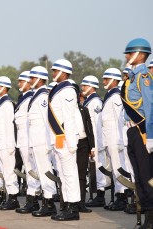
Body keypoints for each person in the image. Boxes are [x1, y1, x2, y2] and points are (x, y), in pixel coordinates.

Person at [122, 38, 153, 228]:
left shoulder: (144, 78)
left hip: (142, 133)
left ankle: (151, 216)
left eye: (129, 52)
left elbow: (150, 108)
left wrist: (150, 135)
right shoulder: (132, 77)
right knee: (139, 176)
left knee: (147, 175)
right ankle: (146, 210)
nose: (126, 56)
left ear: (139, 55)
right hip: (133, 131)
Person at [49, 59, 80, 221]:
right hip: (58, 139)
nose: (53, 73)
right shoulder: (58, 89)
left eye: (55, 70)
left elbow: (69, 118)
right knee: (62, 174)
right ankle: (66, 205)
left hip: (66, 140)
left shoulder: (68, 90)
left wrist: (71, 143)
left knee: (69, 174)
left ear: (63, 72)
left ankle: (73, 208)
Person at [26, 66, 57, 217]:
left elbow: (47, 121)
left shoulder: (44, 96)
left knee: (45, 172)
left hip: (43, 141)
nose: (30, 80)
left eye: (32, 78)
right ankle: (46, 200)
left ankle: (49, 202)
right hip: (36, 140)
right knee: (40, 171)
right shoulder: (37, 95)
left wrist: (49, 143)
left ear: (39, 78)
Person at [101, 68, 129, 211]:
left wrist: (120, 140)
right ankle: (119, 195)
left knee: (119, 169)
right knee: (115, 170)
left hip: (115, 139)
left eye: (106, 79)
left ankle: (122, 197)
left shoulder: (116, 96)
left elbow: (120, 119)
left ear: (113, 80)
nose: (104, 81)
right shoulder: (110, 96)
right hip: (110, 138)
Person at [14, 71, 40, 214]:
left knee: (32, 170)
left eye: (21, 81)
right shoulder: (23, 97)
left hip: (29, 138)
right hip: (22, 138)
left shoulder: (30, 97)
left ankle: (33, 199)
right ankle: (31, 199)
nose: (19, 84)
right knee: (30, 170)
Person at [80, 76, 109, 208]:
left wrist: (95, 145)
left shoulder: (95, 102)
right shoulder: (89, 101)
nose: (82, 88)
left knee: (99, 168)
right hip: (93, 141)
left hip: (96, 141)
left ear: (91, 86)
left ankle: (101, 196)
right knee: (95, 169)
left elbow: (97, 125)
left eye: (85, 86)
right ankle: (98, 194)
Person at [0, 76, 20, 210]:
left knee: (9, 172)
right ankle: (10, 196)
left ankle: (13, 198)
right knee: (5, 171)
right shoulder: (1, 102)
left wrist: (10, 145)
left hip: (6, 144)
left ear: (4, 87)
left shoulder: (7, 103)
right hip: (0, 144)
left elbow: (10, 126)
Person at [70, 80, 95, 213]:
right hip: (69, 144)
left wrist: (92, 147)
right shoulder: (64, 110)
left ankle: (81, 203)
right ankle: (68, 203)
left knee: (81, 174)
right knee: (69, 174)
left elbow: (90, 129)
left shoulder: (83, 110)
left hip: (83, 143)